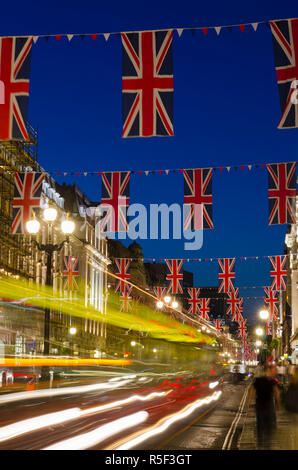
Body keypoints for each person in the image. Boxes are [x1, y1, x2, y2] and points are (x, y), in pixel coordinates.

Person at [249, 364, 280, 448]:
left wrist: (250, 403)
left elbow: (253, 391)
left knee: (260, 422)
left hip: (259, 403)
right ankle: (267, 444)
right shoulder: (272, 380)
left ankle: (260, 443)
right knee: (268, 423)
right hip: (269, 403)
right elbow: (276, 393)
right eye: (275, 369)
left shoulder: (258, 380)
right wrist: (278, 404)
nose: (276, 371)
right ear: (269, 370)